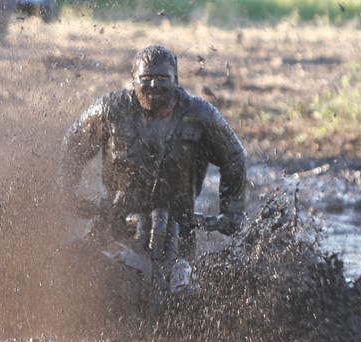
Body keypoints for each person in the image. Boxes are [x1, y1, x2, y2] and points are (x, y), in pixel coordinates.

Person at [61, 45, 246, 258]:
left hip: (177, 231)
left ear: (176, 79)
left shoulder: (201, 115)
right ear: (133, 78)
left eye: (162, 78)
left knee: (181, 284)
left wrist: (231, 211)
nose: (153, 85)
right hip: (116, 224)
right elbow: (73, 143)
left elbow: (234, 157)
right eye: (146, 78)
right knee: (74, 264)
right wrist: (68, 192)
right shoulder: (110, 110)